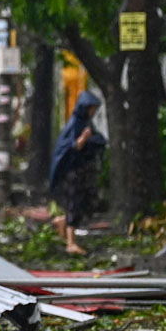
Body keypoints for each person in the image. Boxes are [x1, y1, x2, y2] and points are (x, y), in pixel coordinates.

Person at [49, 90, 107, 255]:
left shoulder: (87, 124)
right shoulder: (75, 124)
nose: (93, 112)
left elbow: (97, 140)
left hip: (84, 172)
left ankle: (63, 222)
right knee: (74, 204)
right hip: (72, 173)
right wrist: (81, 140)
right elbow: (69, 147)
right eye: (91, 109)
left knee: (84, 204)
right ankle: (71, 242)